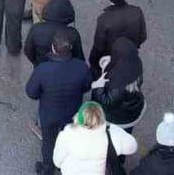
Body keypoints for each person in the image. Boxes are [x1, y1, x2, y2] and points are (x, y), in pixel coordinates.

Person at [26, 33, 93, 175]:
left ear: (53, 49)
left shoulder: (43, 69)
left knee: (49, 141)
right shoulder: (81, 67)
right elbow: (87, 86)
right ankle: (64, 166)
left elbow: (31, 92)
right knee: (69, 139)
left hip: (49, 114)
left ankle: (47, 169)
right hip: (72, 113)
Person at [52, 101, 138, 175]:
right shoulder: (112, 135)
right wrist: (114, 128)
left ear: (78, 117)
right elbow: (133, 147)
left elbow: (57, 161)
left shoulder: (66, 135)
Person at [91, 37, 146, 138]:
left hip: (116, 119)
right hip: (133, 112)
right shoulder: (136, 63)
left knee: (111, 139)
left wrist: (98, 87)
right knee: (126, 136)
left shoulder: (117, 81)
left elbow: (107, 101)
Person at [88, 0, 147, 68]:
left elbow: (99, 46)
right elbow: (143, 36)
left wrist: (93, 61)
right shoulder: (137, 12)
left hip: (110, 57)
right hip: (130, 52)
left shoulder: (104, 19)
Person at [24, 0, 83, 65]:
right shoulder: (73, 34)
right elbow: (79, 58)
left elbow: (28, 51)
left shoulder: (35, 29)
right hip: (65, 68)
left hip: (41, 66)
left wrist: (37, 63)